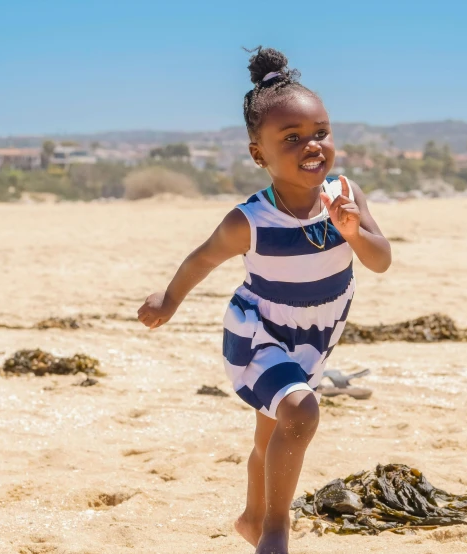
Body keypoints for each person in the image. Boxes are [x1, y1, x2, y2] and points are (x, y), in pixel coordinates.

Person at [138, 47, 392, 554]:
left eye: (320, 132)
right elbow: (203, 259)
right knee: (300, 413)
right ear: (260, 154)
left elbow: (381, 259)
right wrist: (168, 299)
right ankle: (275, 533)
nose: (311, 146)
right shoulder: (250, 220)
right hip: (261, 333)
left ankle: (254, 519)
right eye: (292, 138)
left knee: (270, 436)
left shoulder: (345, 193)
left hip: (319, 332)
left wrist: (352, 230)